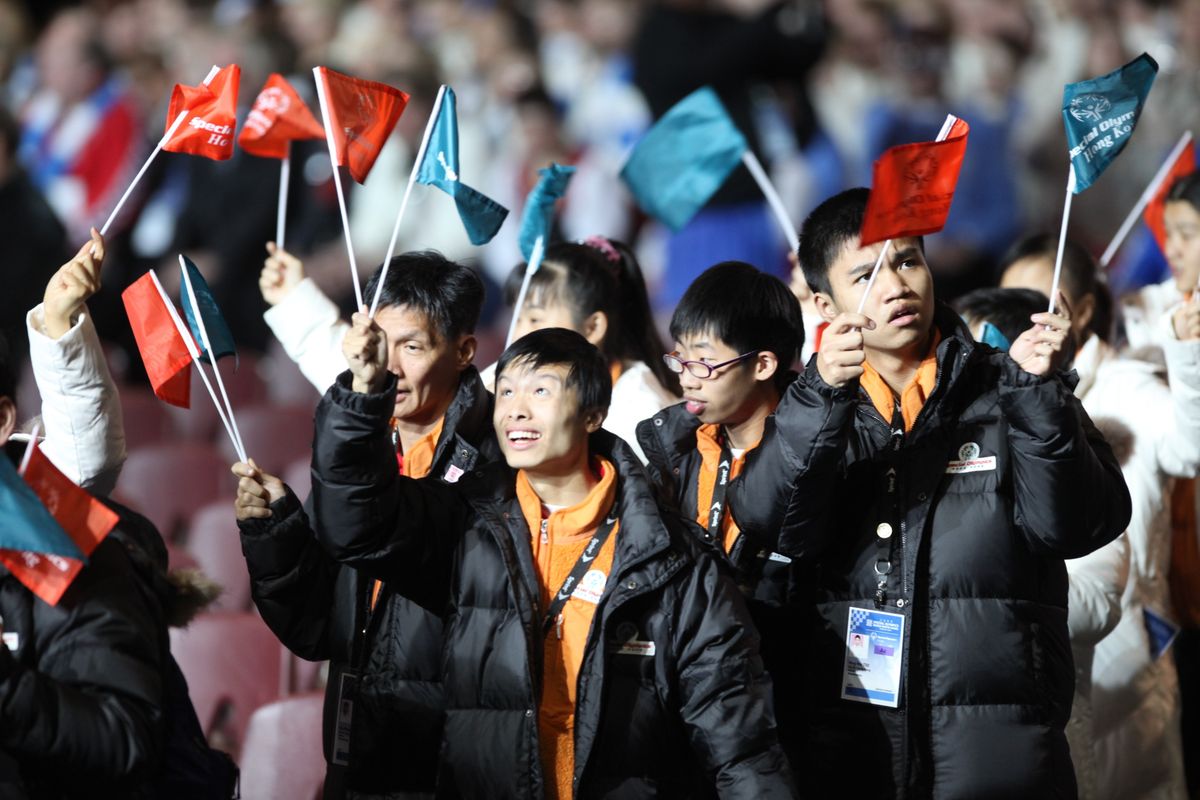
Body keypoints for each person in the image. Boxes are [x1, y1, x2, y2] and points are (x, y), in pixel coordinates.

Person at [728, 187, 1131, 797]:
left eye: (909, 260)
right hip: (852, 748)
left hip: (999, 749)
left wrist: (1040, 401)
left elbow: (1076, 525)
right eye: (865, 273)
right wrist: (818, 399)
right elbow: (769, 520)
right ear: (823, 302)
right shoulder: (809, 405)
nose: (896, 285)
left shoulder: (1009, 386)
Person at [311, 324, 795, 798]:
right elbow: (356, 525)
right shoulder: (461, 523)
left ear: (593, 414)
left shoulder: (671, 557)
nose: (516, 411)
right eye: (504, 393)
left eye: (541, 391)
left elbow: (739, 739)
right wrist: (362, 397)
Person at [233, 252, 499, 798]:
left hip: (447, 768)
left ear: (464, 351)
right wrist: (280, 533)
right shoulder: (371, 452)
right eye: (381, 343)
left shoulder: (492, 458)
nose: (390, 366)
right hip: (361, 754)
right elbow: (316, 628)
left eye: (413, 346)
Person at [1001, 234, 1200, 799]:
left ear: (1082, 309)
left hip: (1129, 649)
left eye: (1041, 296)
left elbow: (1189, 448)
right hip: (1055, 653)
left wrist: (1187, 357)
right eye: (1017, 298)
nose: (1031, 314)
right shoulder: (1008, 394)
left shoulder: (1126, 385)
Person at [954, 283, 1131, 800]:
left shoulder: (1073, 444)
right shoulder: (952, 444)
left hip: (1054, 726)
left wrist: (1001, 609)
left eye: (979, 349)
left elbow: (1099, 600)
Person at [636, 260, 806, 766]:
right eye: (681, 360)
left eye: (704, 363)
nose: (688, 379)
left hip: (791, 698)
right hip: (698, 697)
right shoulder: (678, 452)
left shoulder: (811, 454)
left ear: (764, 365)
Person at [501, 238, 678, 462]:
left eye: (535, 319)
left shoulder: (640, 414)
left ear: (592, 327)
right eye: (517, 318)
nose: (518, 335)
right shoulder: (503, 379)